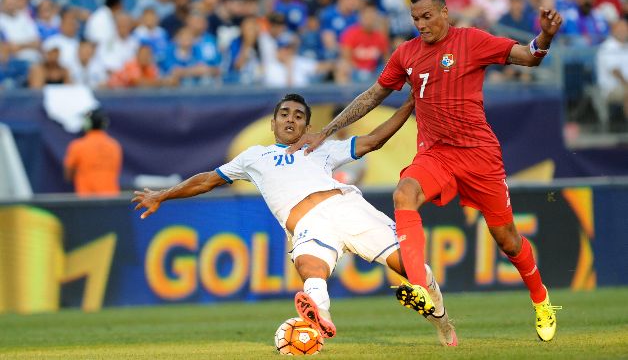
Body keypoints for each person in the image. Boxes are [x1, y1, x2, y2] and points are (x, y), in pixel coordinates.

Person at [287, 0, 564, 342]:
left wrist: (545, 36)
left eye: (427, 16)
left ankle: (541, 299)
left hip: (479, 156)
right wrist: (325, 131)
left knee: (507, 240)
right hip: (435, 154)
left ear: (445, 12)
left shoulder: (472, 41)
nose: (421, 24)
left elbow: (528, 56)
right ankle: (419, 286)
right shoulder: (406, 53)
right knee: (404, 193)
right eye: (415, 18)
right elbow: (374, 94)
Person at [132, 93, 457, 347]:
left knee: (411, 268)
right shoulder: (253, 157)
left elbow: (373, 141)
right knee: (309, 267)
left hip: (348, 208)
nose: (291, 119)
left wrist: (409, 106)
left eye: (299, 116)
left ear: (307, 126)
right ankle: (321, 316)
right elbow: (207, 179)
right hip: (307, 224)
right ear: (273, 123)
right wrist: (163, 195)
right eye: (284, 114)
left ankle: (441, 320)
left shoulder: (321, 149)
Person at [64, 109, 123, 196]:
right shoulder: (114, 145)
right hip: (112, 198)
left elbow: (68, 174)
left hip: (87, 200)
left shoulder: (77, 146)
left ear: (87, 124)